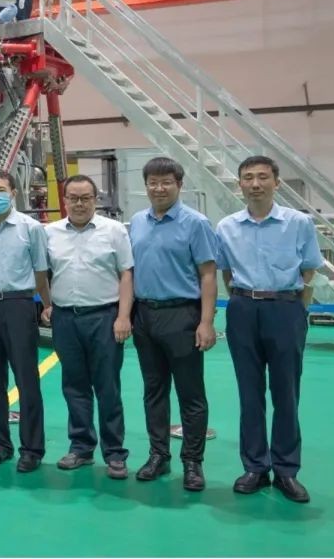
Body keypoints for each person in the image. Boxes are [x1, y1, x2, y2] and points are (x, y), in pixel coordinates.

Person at [216, 155, 323, 503]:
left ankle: (287, 470)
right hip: (243, 309)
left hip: (286, 309)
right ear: (240, 184)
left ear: (277, 182)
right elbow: (226, 272)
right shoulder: (227, 227)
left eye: (263, 177)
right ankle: (255, 468)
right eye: (248, 177)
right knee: (249, 393)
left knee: (286, 392)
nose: (255, 184)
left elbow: (309, 268)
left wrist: (296, 307)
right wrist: (245, 299)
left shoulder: (299, 223)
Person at [128, 157, 218, 491]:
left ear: (179, 185)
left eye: (166, 182)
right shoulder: (137, 222)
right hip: (145, 315)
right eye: (153, 182)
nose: (159, 188)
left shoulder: (196, 223)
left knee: (190, 393)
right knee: (154, 391)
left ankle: (192, 462)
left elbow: (208, 274)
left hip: (182, 315)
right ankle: (158, 455)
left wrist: (206, 322)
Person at [44, 174, 133, 479]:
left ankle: (115, 453)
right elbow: (43, 273)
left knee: (108, 387)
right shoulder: (50, 233)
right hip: (66, 319)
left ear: (96, 199)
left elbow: (126, 274)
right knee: (74, 385)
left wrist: (123, 316)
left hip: (104, 318)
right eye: (73, 198)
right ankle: (81, 447)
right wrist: (48, 304)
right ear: (64, 200)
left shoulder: (114, 231)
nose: (79, 204)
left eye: (86, 198)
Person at [0, 169, 52, 472]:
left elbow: (41, 272)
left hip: (20, 305)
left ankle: (32, 448)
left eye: (1, 190)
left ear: (13, 193)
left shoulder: (31, 229)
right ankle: (0, 444)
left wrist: (46, 305)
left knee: (26, 379)